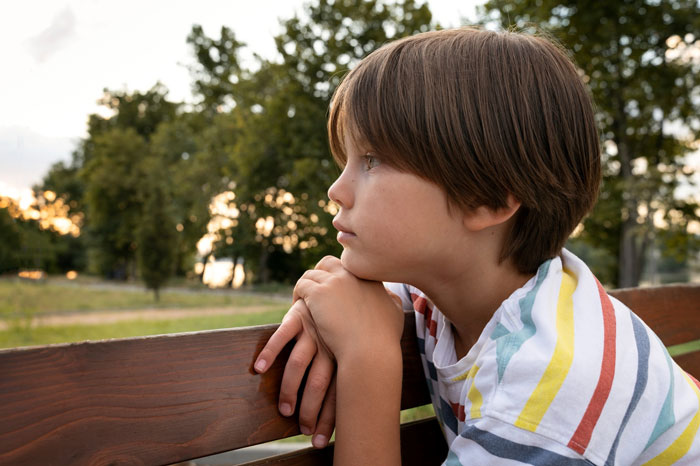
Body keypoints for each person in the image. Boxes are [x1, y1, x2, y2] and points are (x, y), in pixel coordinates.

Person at [253, 27, 700, 465]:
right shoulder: (450, 289)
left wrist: (368, 358)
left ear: (487, 199)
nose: (337, 189)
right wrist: (323, 301)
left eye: (371, 160)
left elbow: (368, 329)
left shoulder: (549, 389)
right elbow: (362, 298)